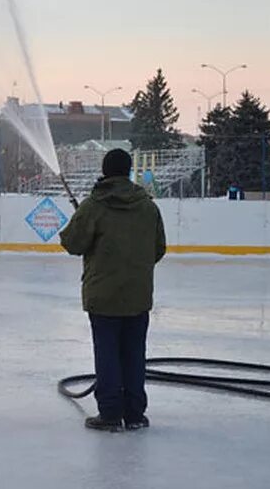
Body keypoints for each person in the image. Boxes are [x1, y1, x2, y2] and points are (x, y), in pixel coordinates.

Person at [59, 148, 166, 432]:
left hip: (103, 296)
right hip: (138, 295)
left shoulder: (94, 205)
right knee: (134, 354)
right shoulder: (148, 206)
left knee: (107, 353)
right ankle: (134, 414)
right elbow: (159, 249)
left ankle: (109, 413)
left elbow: (73, 243)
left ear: (104, 172)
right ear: (129, 171)